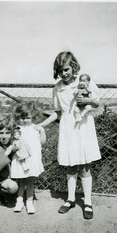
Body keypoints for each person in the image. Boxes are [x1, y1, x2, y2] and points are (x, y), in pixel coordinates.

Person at [38, 51, 101, 219]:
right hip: (68, 127)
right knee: (70, 165)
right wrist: (41, 124)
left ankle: (87, 202)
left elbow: (97, 102)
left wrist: (86, 101)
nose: (63, 73)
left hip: (83, 125)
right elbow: (57, 112)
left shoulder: (85, 81)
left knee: (85, 165)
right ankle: (71, 199)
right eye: (60, 71)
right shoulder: (57, 88)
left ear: (73, 67)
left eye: (66, 69)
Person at [11, 101, 46, 214]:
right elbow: (14, 143)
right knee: (21, 182)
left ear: (33, 117)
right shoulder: (17, 129)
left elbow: (42, 142)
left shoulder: (35, 128)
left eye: (28, 117)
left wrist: (42, 131)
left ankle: (30, 202)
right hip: (21, 159)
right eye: (22, 117)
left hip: (31, 160)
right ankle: (19, 200)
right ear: (18, 117)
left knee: (30, 182)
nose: (25, 120)